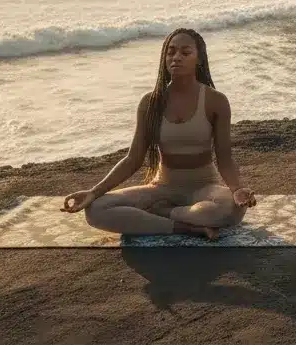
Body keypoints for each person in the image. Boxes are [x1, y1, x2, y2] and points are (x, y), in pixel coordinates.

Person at [61, 28, 256, 240]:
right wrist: (93, 192)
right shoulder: (150, 103)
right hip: (161, 189)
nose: (176, 57)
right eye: (171, 52)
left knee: (231, 208)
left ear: (199, 59)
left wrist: (236, 189)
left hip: (204, 189)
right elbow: (132, 159)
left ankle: (162, 214)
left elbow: (225, 158)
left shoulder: (215, 101)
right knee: (96, 209)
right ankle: (187, 228)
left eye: (185, 52)